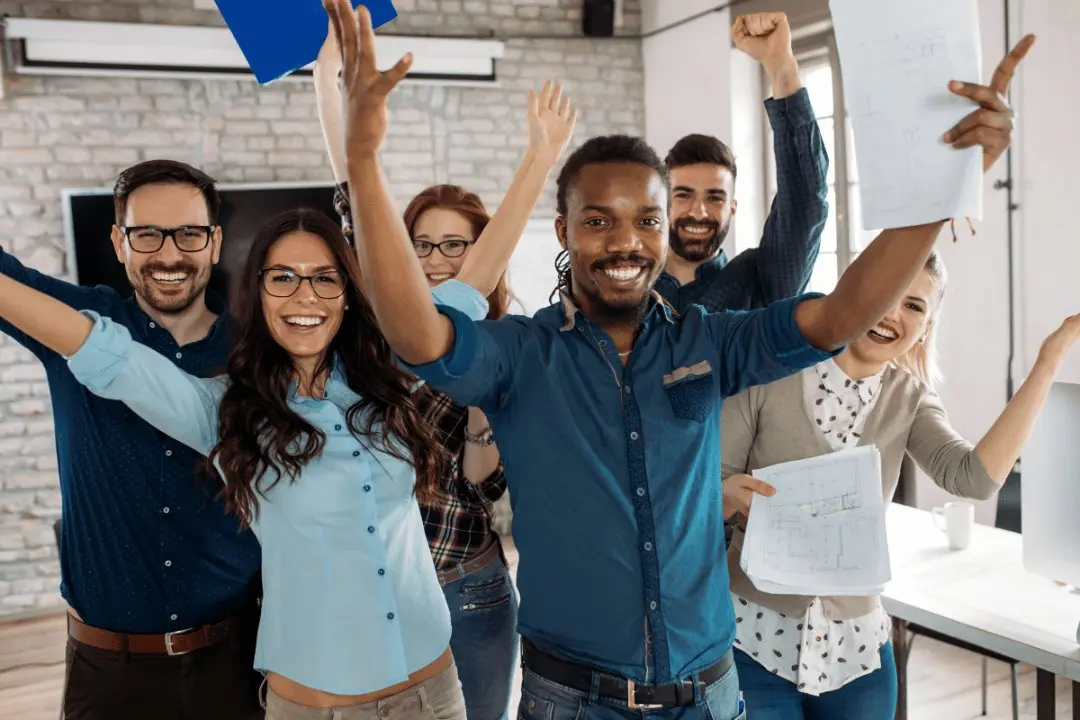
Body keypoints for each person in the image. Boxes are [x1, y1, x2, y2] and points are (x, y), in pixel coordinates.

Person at [321, 2, 1018, 718]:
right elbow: (417, 336)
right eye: (599, 221)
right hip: (574, 699)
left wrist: (941, 196)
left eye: (645, 220)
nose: (626, 242)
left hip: (710, 693)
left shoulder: (709, 338)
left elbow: (841, 316)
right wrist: (364, 161)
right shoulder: (522, 353)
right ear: (564, 230)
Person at [0, 207, 495, 719]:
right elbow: (102, 350)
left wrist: (541, 155)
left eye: (325, 278)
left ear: (347, 292)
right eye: (283, 278)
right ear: (257, 293)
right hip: (318, 709)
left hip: (434, 691)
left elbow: (468, 293)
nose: (305, 295)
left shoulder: (386, 376)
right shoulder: (222, 410)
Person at [314, 33, 578, 720]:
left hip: (470, 587)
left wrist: (487, 417)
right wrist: (326, 76)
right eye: (420, 243)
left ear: (478, 249)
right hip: (371, 590)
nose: (434, 258)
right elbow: (350, 183)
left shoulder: (500, 347)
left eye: (453, 244)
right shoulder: (374, 322)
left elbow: (492, 487)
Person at [719, 255, 1075, 720]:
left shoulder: (911, 399)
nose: (893, 315)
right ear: (854, 293)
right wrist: (727, 496)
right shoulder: (770, 375)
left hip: (858, 657)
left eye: (914, 306)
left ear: (926, 327)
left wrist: (1047, 363)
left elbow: (973, 479)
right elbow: (703, 489)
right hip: (755, 646)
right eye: (887, 294)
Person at [0, 160, 263, 719]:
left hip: (235, 661)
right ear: (119, 242)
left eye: (189, 233)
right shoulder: (73, 323)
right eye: (146, 233)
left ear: (215, 243)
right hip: (105, 672)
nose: (169, 254)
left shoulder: (260, 351)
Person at [656, 12, 829, 312]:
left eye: (715, 197)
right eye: (683, 195)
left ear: (732, 208)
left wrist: (781, 68)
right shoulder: (627, 289)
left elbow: (805, 203)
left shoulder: (760, 281)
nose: (699, 212)